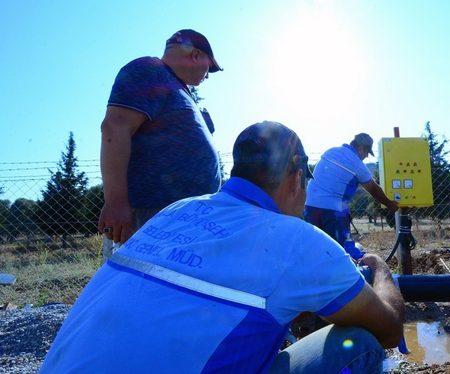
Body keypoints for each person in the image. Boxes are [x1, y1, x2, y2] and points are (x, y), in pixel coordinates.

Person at [41, 121, 405, 373]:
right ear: (296, 180)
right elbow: (388, 329)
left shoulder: (178, 210)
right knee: (359, 345)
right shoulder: (299, 242)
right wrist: (381, 270)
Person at [99, 29, 223, 245]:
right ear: (195, 55)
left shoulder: (178, 89)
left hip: (183, 217)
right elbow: (115, 128)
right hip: (154, 216)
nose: (207, 75)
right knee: (144, 278)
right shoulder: (150, 70)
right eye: (209, 67)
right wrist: (115, 202)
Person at [304, 133, 399, 256]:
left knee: (314, 250)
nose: (365, 157)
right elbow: (373, 189)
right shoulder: (357, 164)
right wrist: (390, 204)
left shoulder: (331, 151)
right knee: (341, 251)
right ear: (361, 148)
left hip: (309, 207)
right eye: (366, 153)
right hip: (333, 212)